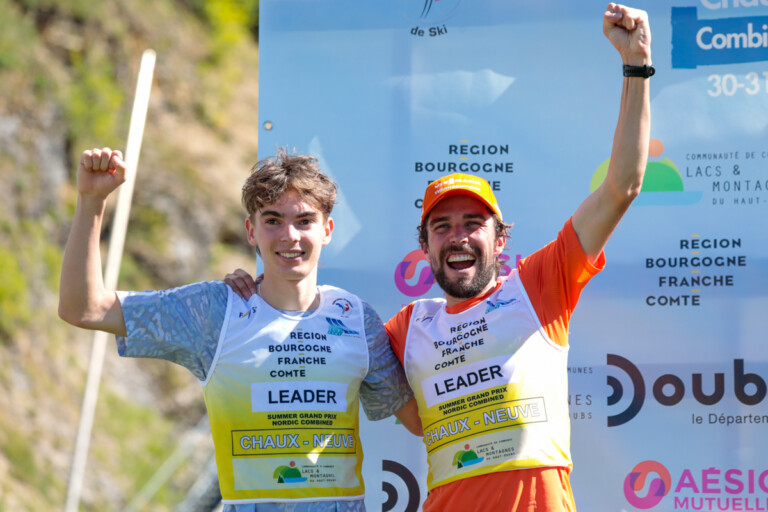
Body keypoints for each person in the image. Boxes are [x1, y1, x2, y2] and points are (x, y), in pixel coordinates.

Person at [225, 3, 652, 510]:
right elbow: (317, 348)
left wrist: (636, 66)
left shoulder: (540, 286)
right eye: (441, 226)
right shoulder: (407, 327)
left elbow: (621, 188)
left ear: (500, 240)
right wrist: (254, 297)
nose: (458, 237)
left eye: (473, 224)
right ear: (424, 245)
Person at [58, 147, 421, 511]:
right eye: (273, 220)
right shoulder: (216, 311)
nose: (289, 236)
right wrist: (92, 200)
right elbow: (84, 308)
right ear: (251, 230)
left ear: (327, 230)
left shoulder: (357, 319)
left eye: (305, 221)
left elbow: (422, 421)